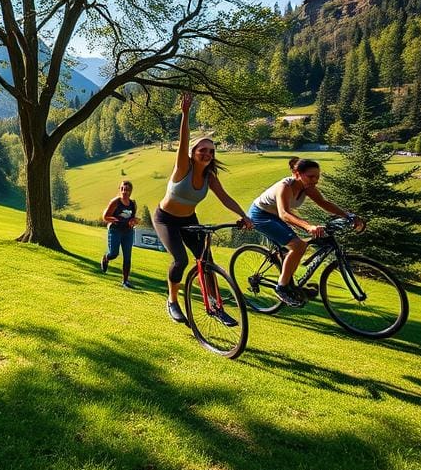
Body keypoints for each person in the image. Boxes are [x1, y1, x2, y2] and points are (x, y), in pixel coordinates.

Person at [151, 93, 253, 325]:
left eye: (211, 151)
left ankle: (217, 307)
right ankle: (172, 301)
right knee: (180, 260)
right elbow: (184, 140)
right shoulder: (183, 167)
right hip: (165, 219)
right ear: (194, 153)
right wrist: (185, 115)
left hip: (189, 220)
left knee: (206, 260)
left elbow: (225, 198)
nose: (207, 154)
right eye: (202, 150)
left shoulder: (210, 176)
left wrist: (243, 216)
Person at [248, 158, 365, 306]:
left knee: (295, 247)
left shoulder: (307, 187)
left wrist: (348, 216)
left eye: (317, 176)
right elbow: (284, 213)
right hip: (260, 215)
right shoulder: (284, 187)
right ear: (297, 174)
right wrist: (308, 226)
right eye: (311, 176)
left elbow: (324, 203)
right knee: (299, 246)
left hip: (276, 215)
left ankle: (290, 281)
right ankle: (282, 288)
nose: (315, 180)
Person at [100, 180, 140, 288]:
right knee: (114, 254)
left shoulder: (132, 204)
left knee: (127, 257)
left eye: (127, 190)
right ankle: (106, 258)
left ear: (131, 191)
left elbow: (132, 218)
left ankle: (125, 282)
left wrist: (134, 221)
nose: (124, 191)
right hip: (115, 230)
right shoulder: (115, 202)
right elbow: (105, 217)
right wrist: (114, 220)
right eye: (122, 189)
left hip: (128, 232)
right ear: (120, 190)